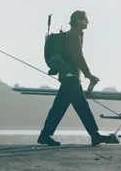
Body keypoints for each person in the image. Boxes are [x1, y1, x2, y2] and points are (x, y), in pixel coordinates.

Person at [37, 10, 113, 146]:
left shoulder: (74, 34)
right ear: (78, 21)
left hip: (72, 77)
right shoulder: (73, 35)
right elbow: (77, 56)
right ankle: (44, 135)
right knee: (59, 107)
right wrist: (89, 75)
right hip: (70, 76)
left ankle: (95, 135)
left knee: (82, 107)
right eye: (85, 19)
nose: (87, 21)